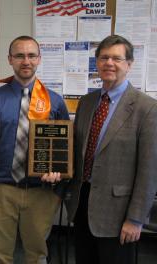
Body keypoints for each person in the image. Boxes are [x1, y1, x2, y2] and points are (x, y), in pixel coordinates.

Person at [66, 35, 157, 264]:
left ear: (129, 64)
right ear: (96, 63)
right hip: (82, 207)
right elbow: (77, 154)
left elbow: (149, 171)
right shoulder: (86, 102)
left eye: (116, 58)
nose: (109, 63)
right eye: (104, 57)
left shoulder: (146, 108)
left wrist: (136, 219)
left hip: (119, 214)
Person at [0, 36, 70, 264]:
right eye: (20, 55)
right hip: (0, 190)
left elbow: (64, 149)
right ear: (10, 59)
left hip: (40, 192)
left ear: (39, 59)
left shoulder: (55, 101)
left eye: (32, 55)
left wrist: (58, 184)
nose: (26, 61)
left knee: (37, 255)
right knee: (0, 255)